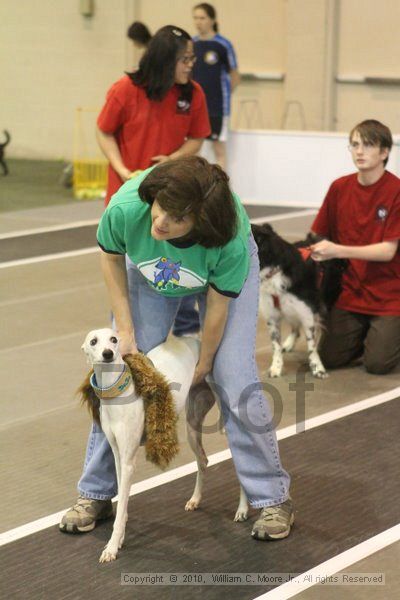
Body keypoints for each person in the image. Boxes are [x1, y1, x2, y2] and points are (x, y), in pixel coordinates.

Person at [60, 156, 293, 541]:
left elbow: (218, 307)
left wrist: (205, 362)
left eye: (175, 218)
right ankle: (96, 493)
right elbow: (111, 258)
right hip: (149, 273)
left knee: (233, 375)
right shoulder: (128, 207)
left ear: (200, 220)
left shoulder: (228, 239)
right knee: (118, 375)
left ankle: (271, 498)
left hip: (214, 272)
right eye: (160, 208)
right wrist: (127, 331)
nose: (161, 222)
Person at [310, 119, 400, 374]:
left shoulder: (396, 191)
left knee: (378, 365)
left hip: (389, 295)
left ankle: (386, 335)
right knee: (327, 359)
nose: (359, 151)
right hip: (351, 292)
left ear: (384, 152)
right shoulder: (339, 187)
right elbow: (318, 234)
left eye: (368, 145)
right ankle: (367, 336)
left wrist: (338, 250)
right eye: (354, 144)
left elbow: (387, 251)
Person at [96, 25, 211, 206]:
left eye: (192, 58)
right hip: (125, 193)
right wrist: (123, 171)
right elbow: (104, 131)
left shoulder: (194, 93)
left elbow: (197, 137)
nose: (191, 64)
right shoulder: (125, 89)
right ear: (165, 60)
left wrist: (172, 159)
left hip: (168, 193)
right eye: (185, 59)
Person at [192, 2, 240, 170]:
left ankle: (221, 190)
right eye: (196, 18)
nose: (198, 22)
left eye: (202, 18)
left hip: (216, 107)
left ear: (212, 20)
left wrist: (223, 97)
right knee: (193, 150)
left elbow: (235, 76)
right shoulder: (191, 44)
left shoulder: (223, 45)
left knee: (218, 149)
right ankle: (194, 190)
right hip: (194, 107)